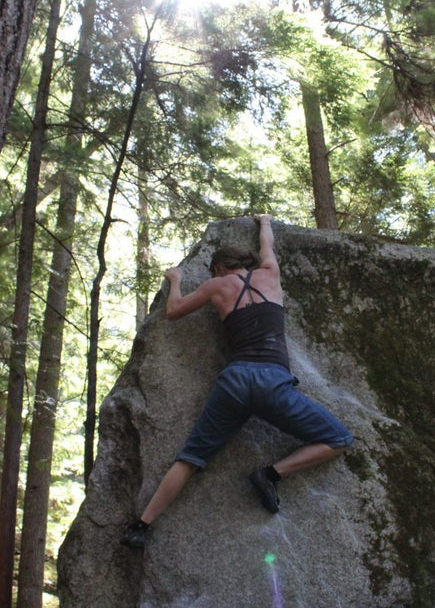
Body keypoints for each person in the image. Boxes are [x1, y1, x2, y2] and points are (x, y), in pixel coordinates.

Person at [121, 214, 353, 549]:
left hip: (235, 379)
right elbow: (268, 246)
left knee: (192, 457)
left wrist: (174, 279)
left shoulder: (217, 286)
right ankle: (270, 474)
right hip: (273, 380)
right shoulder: (270, 273)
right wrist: (264, 222)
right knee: (339, 438)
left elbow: (174, 311)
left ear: (218, 268)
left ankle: (141, 526)